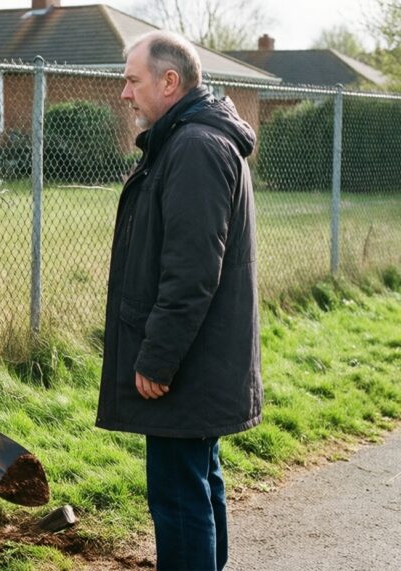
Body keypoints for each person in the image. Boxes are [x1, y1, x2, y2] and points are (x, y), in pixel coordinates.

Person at [95, 31, 263, 571]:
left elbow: (192, 272)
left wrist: (158, 357)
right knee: (197, 484)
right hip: (201, 359)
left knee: (178, 498)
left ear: (170, 82)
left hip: (187, 363)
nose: (124, 94)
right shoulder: (189, 139)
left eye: (132, 80)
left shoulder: (194, 147)